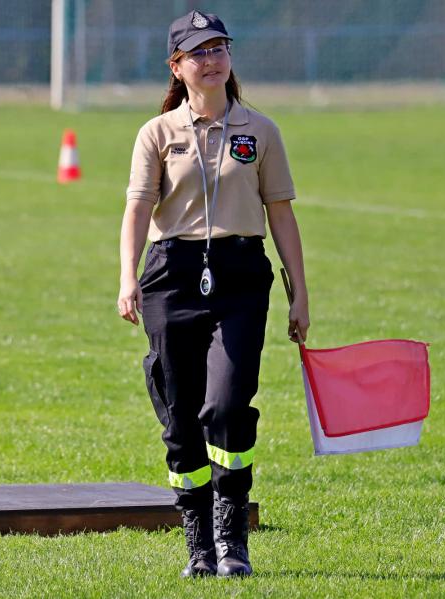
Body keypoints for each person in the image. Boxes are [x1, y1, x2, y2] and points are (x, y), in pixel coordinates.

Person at [117, 10, 309, 578]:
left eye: (219, 48)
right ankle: (198, 541)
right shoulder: (157, 133)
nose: (212, 60)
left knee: (226, 406)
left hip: (241, 275)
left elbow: (282, 215)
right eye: (198, 52)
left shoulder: (260, 130)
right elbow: (137, 210)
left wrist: (300, 292)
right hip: (171, 276)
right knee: (180, 417)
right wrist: (128, 276)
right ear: (176, 66)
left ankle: (232, 537)